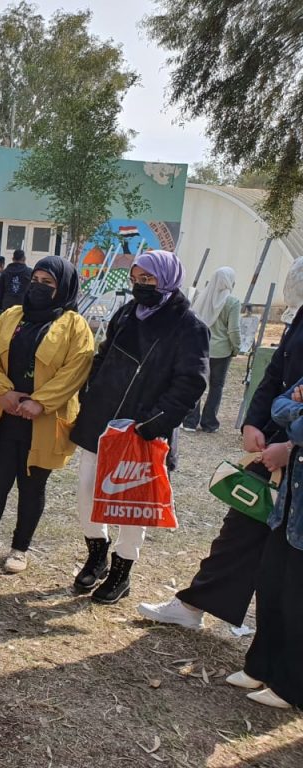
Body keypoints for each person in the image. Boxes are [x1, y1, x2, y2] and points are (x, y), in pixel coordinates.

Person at [137, 260, 303, 630]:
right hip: (276, 441)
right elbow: (275, 374)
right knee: (245, 523)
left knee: (277, 546)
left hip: (294, 448)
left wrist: (292, 449)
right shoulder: (299, 319)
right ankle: (195, 604)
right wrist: (252, 422)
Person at [68, 250, 208, 604]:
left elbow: (191, 384)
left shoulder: (189, 327)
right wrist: (91, 391)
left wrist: (152, 424)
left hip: (144, 429)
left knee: (133, 504)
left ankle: (122, 570)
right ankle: (97, 554)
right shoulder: (127, 313)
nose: (140, 286)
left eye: (148, 279)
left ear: (168, 279)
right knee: (87, 491)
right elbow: (104, 354)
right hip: (102, 422)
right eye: (136, 279)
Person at [0, 256, 94, 574]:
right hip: (5, 415)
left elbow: (76, 370)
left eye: (48, 283)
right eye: (36, 280)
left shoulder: (75, 326)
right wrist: (3, 392)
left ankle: (19, 549)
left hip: (43, 421)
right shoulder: (11, 315)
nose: (39, 287)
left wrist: (41, 402)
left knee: (32, 488)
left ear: (64, 288)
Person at [232, 379, 303, 709]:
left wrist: (298, 413)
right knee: (271, 583)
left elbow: (297, 429)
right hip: (290, 504)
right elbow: (278, 406)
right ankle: (260, 666)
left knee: (296, 598)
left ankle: (291, 684)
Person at [183, 267, 241, 432]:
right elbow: (234, 330)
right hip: (221, 351)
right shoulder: (232, 302)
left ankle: (190, 421)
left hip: (200, 347)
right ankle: (209, 422)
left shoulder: (202, 297)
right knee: (216, 386)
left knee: (196, 383)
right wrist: (236, 348)